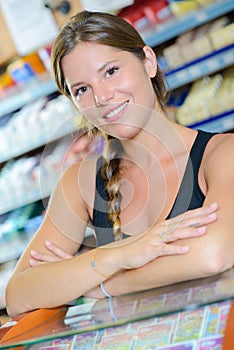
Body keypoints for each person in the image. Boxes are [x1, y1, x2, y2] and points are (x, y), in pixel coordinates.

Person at [6, 10, 234, 317]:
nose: (101, 97)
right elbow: (19, 296)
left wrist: (99, 282)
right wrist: (116, 256)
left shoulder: (221, 154)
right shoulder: (82, 183)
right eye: (82, 90)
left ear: (148, 62)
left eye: (110, 71)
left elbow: (212, 254)